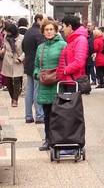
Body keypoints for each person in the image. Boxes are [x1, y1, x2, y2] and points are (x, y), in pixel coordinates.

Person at [33, 19, 66, 151]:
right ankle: (48, 140)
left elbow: (67, 63)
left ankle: (59, 140)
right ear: (43, 31)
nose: (49, 32)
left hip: (58, 85)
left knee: (59, 115)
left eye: (51, 29)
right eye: (46, 30)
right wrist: (37, 74)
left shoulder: (63, 45)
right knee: (47, 115)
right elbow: (36, 65)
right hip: (45, 85)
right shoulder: (40, 47)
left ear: (56, 30)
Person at [22, 14, 45, 123]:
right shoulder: (39, 33)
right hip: (36, 66)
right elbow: (42, 51)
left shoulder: (28, 32)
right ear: (39, 20)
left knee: (29, 91)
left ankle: (28, 116)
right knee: (37, 90)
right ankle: (40, 116)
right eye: (44, 20)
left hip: (28, 64)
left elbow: (23, 47)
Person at [56, 16, 89, 83]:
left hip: (73, 80)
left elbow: (79, 62)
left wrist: (65, 71)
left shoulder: (80, 40)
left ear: (70, 27)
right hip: (69, 79)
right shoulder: (72, 39)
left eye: (64, 26)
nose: (62, 29)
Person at [1, 23, 25, 107]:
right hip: (7, 61)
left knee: (17, 80)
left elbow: (25, 51)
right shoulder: (6, 37)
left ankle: (15, 100)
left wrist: (20, 59)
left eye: (9, 32)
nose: (7, 34)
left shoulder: (22, 38)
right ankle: (12, 98)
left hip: (17, 61)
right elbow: (5, 46)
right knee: (8, 81)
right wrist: (3, 50)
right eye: (7, 32)